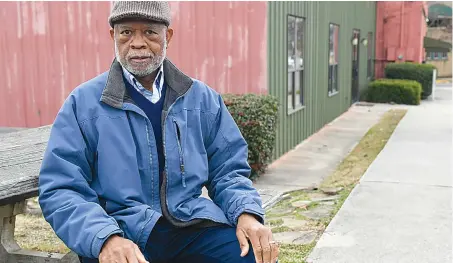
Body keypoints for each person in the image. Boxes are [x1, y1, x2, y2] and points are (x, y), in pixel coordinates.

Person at [38, 1, 279, 263]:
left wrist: (246, 213)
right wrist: (105, 237)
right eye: (126, 32)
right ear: (113, 36)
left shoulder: (201, 99)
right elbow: (61, 188)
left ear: (168, 36)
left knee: (253, 255)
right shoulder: (83, 104)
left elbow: (228, 172)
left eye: (150, 32)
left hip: (190, 223)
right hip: (122, 230)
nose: (137, 43)